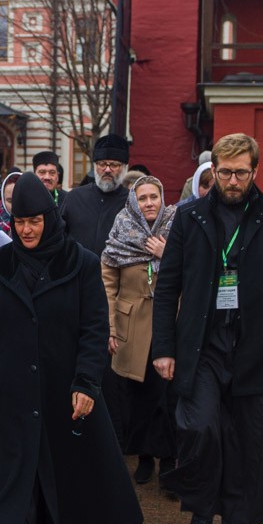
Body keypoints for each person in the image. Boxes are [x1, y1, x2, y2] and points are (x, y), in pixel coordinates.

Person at [0, 173, 145, 524]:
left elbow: (93, 329)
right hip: (10, 390)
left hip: (62, 386)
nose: (26, 230)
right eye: (19, 221)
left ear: (49, 218)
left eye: (34, 221)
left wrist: (86, 381)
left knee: (59, 470)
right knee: (18, 477)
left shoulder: (81, 262)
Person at [151, 133, 263, 524]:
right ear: (213, 171)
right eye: (225, 172)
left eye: (241, 172)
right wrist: (164, 347)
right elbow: (168, 287)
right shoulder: (190, 217)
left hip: (252, 350)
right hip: (201, 347)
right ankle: (201, 517)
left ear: (255, 171)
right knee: (201, 430)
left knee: (246, 441)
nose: (233, 181)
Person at [101, 175, 177, 486]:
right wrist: (109, 327)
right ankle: (144, 458)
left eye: (153, 197)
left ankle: (169, 460)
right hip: (130, 328)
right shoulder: (122, 228)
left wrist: (167, 255)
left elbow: (194, 271)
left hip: (168, 326)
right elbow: (108, 286)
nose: (148, 203)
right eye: (142, 198)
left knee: (167, 398)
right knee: (137, 399)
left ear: (162, 199)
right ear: (134, 201)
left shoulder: (177, 227)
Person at [60, 134, 130, 256]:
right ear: (95, 166)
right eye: (102, 164)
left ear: (124, 167)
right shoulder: (74, 197)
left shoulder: (131, 202)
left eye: (114, 165)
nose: (107, 170)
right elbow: (59, 237)